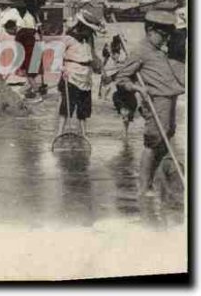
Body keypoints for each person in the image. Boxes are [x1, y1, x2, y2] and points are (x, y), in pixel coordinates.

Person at [114, 10, 185, 197]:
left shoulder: (159, 50)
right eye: (162, 35)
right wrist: (138, 89)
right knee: (153, 142)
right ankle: (143, 188)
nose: (165, 39)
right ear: (151, 30)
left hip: (169, 99)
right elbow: (121, 78)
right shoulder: (140, 51)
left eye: (168, 35)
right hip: (155, 100)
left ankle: (153, 181)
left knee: (164, 140)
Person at [56, 10, 104, 139]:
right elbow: (57, 56)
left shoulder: (88, 40)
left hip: (86, 76)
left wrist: (99, 66)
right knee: (67, 106)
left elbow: (92, 57)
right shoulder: (68, 38)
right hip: (71, 74)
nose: (90, 33)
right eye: (88, 30)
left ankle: (84, 133)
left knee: (84, 107)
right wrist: (62, 69)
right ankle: (59, 133)